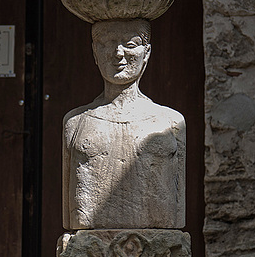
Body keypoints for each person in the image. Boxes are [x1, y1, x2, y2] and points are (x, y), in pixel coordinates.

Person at [63, 18, 186, 230]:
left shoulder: (171, 121)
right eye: (106, 44)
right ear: (94, 52)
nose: (118, 53)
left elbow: (178, 200)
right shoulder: (75, 122)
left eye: (130, 44)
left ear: (146, 52)